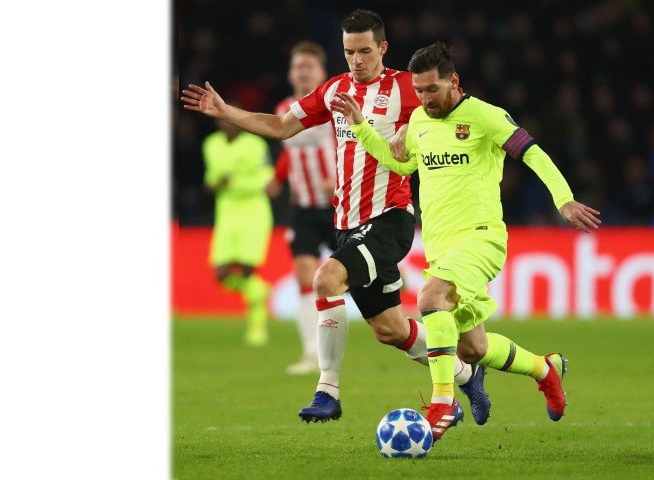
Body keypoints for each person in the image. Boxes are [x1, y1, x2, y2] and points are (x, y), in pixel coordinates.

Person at [181, 10, 490, 424]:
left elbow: (451, 104)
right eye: (349, 52)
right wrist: (226, 112)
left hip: (390, 217)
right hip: (347, 223)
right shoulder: (334, 91)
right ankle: (467, 376)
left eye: (365, 50)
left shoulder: (405, 87)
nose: (357, 60)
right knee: (392, 330)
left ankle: (327, 391)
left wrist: (413, 129)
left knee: (325, 278)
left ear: (382, 47)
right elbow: (281, 125)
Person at [331, 42, 602, 442]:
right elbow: (398, 163)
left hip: (481, 239)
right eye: (419, 91)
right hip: (442, 248)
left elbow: (533, 154)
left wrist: (563, 200)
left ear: (453, 81)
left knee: (428, 299)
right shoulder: (420, 122)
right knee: (472, 349)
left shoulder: (485, 117)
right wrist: (360, 127)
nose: (425, 99)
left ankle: (442, 402)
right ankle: (545, 369)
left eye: (432, 90)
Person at [266, 41, 338, 375]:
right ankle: (312, 353)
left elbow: (351, 144)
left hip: (339, 205)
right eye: (298, 66)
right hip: (303, 208)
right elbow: (290, 153)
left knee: (370, 278)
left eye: (309, 65)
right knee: (304, 276)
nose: (303, 70)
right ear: (290, 72)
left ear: (322, 72)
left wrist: (338, 178)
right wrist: (278, 177)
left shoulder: (333, 106)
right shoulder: (284, 109)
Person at [202, 115, 274, 346]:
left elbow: (267, 179)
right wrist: (213, 183)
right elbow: (211, 177)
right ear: (219, 122)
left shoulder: (256, 144)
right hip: (226, 214)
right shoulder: (211, 144)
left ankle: (257, 327)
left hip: (253, 213)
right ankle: (259, 291)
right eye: (224, 119)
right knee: (221, 274)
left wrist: (235, 183)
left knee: (246, 271)